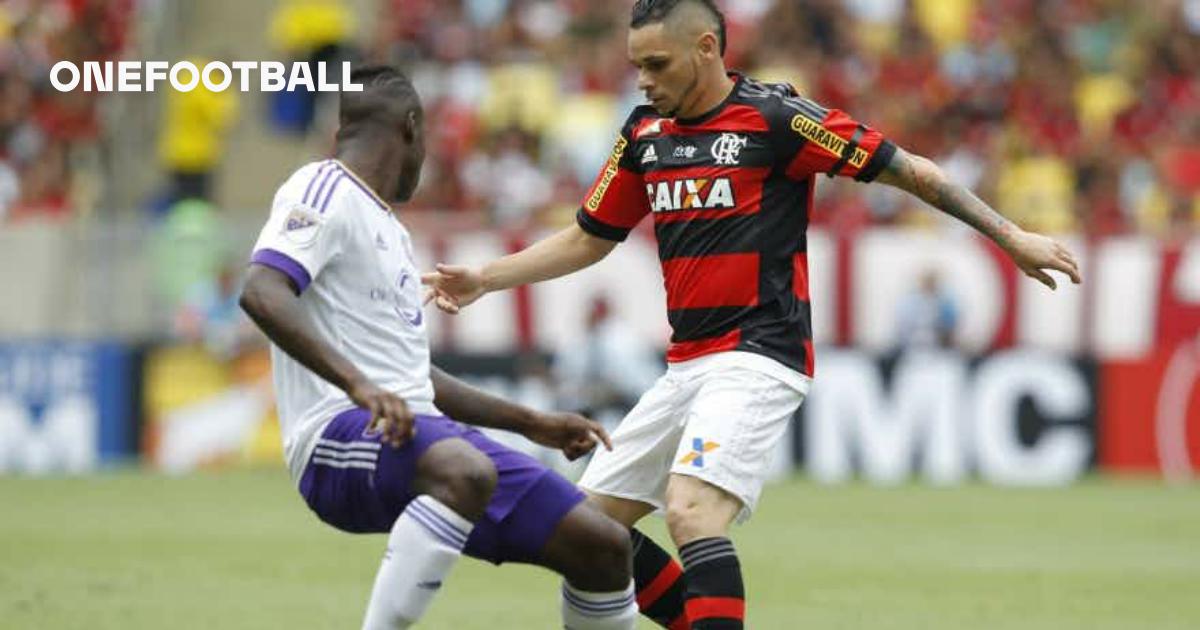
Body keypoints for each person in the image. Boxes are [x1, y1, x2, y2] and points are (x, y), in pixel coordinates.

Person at [421, 1, 1084, 628]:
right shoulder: (645, 135)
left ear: (706, 48)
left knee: (690, 511)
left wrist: (1010, 235)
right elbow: (589, 236)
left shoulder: (778, 120)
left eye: (657, 65)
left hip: (759, 355)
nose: (644, 82)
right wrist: (485, 276)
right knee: (588, 529)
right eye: (637, 67)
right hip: (686, 365)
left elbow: (908, 170)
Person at [240, 65, 640, 630]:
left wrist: (530, 421)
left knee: (600, 543)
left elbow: (414, 380)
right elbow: (261, 290)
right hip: (335, 435)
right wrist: (360, 387)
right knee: (464, 468)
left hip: (418, 438)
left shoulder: (392, 234)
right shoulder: (321, 188)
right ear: (410, 127)